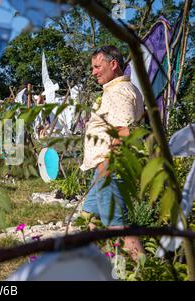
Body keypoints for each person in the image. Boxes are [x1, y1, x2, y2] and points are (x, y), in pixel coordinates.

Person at [81, 45, 145, 260]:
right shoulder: (122, 89)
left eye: (97, 67)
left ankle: (141, 270)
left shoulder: (118, 92)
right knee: (89, 215)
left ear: (113, 64)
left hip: (109, 166)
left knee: (118, 224)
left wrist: (108, 167)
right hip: (102, 166)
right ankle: (95, 261)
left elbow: (123, 131)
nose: (94, 72)